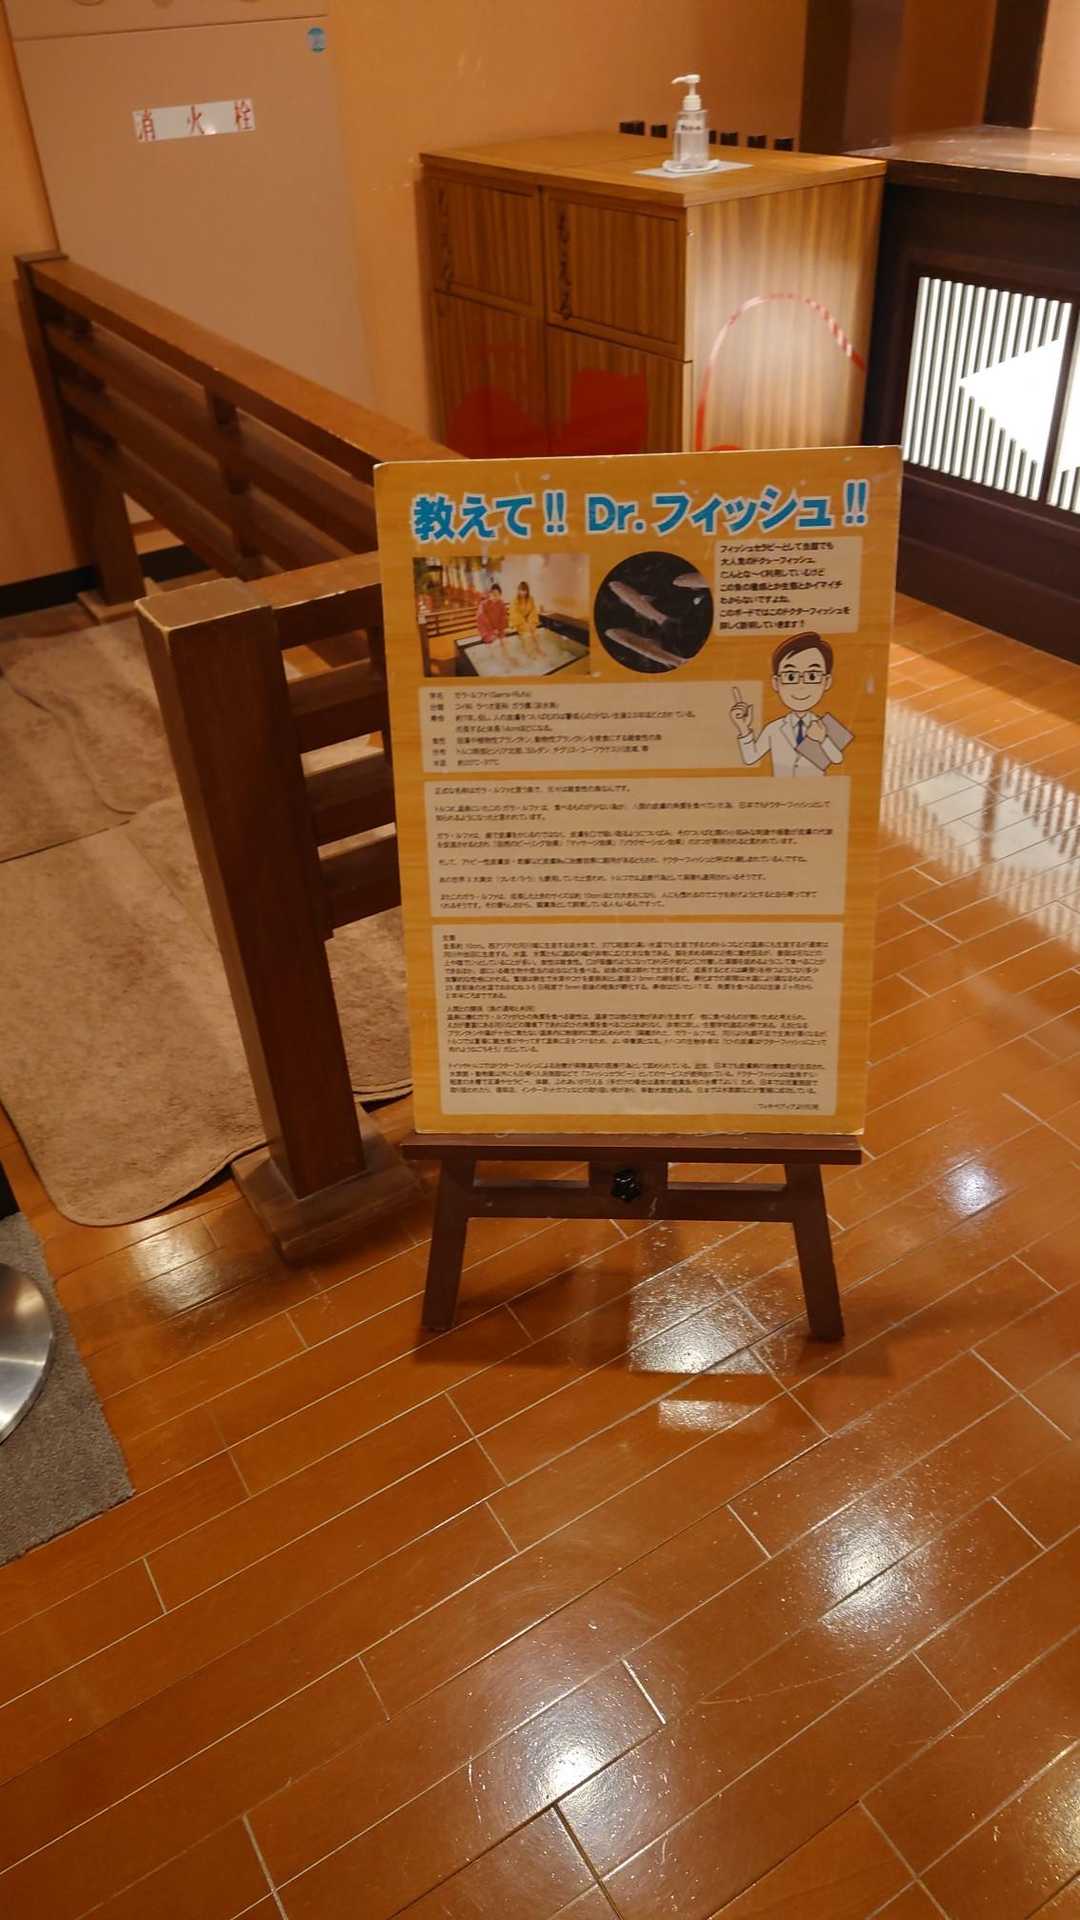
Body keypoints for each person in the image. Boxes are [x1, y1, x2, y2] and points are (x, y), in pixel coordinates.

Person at [729, 633, 851, 777]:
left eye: (812, 676)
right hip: (781, 790)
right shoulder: (774, 728)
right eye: (791, 676)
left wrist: (823, 739)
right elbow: (750, 758)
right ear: (776, 682)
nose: (801, 685)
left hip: (816, 790)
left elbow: (838, 759)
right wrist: (743, 728)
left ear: (827, 681)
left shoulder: (826, 725)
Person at [508, 579, 543, 661]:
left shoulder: (531, 599)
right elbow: (515, 614)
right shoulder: (514, 600)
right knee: (527, 635)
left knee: (536, 633)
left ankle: (538, 649)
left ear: (527, 591)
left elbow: (533, 611)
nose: (523, 592)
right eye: (521, 590)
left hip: (529, 621)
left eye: (525, 591)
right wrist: (524, 623)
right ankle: (529, 653)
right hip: (520, 623)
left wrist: (531, 622)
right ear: (518, 590)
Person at [475, 582, 508, 646]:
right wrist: (493, 631)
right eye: (493, 594)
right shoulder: (483, 604)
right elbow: (483, 620)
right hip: (487, 630)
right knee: (495, 643)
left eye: (497, 595)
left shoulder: (501, 603)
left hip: (498, 629)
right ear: (490, 594)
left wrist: (500, 630)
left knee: (504, 642)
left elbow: (503, 618)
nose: (495, 597)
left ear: (500, 595)